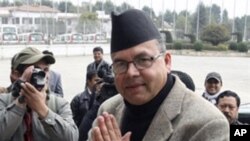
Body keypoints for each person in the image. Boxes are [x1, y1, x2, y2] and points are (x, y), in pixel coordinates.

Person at [88, 9, 229, 141]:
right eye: (120, 64)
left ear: (167, 62)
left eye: (143, 60)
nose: (131, 73)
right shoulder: (108, 110)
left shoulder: (207, 123)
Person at [0, 47, 78, 141]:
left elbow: (71, 138)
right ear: (16, 74)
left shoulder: (59, 104)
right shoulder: (3, 101)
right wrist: (20, 102)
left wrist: (42, 109)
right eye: (36, 71)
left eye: (45, 70)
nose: (43, 76)